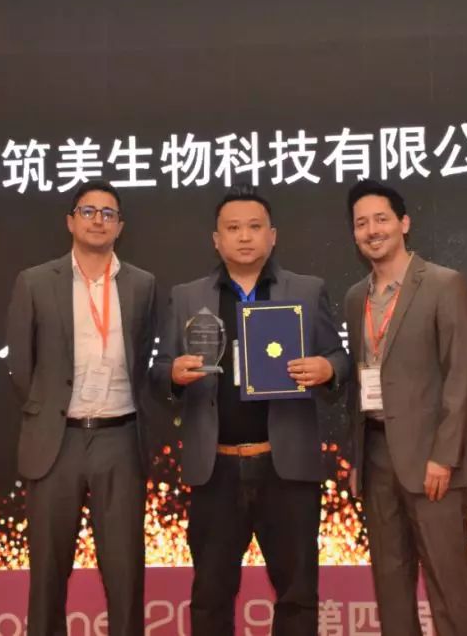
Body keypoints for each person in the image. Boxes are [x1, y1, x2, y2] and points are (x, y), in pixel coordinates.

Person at [153, 186, 349, 636]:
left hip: (286, 467)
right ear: (216, 239)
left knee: (298, 595)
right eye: (233, 228)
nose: (245, 237)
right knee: (210, 596)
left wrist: (327, 369)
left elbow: (339, 357)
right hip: (216, 469)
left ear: (272, 235)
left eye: (255, 227)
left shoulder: (306, 290)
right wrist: (173, 375)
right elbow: (159, 371)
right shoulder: (187, 296)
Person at [5, 180, 156, 636]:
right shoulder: (35, 282)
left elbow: (145, 360)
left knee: (126, 574)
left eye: (108, 213)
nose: (98, 220)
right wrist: (49, 410)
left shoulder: (142, 285)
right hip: (57, 441)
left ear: (120, 227)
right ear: (70, 221)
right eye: (88, 211)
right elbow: (21, 366)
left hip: (120, 438)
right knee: (48, 574)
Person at [343, 179, 467, 636]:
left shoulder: (443, 284)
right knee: (391, 588)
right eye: (361, 223)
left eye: (381, 219)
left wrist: (445, 456)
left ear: (403, 223)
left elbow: (461, 376)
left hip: (431, 460)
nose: (372, 230)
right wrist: (358, 458)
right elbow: (361, 381)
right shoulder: (355, 298)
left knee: (450, 588)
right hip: (376, 457)